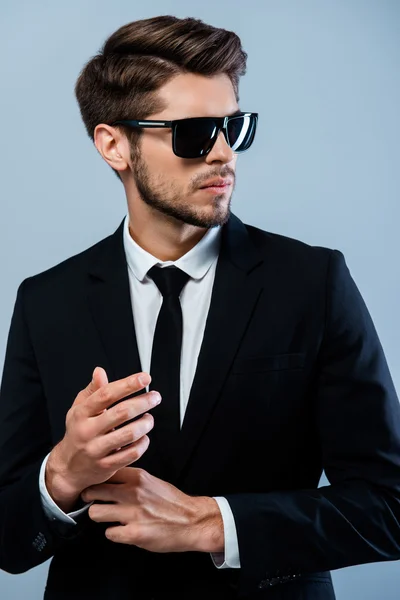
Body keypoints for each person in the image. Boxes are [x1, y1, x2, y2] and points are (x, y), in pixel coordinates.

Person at [0, 14, 399, 600]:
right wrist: (60, 476)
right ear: (115, 145)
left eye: (234, 127)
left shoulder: (312, 282)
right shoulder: (46, 300)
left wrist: (213, 524)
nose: (223, 154)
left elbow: (388, 505)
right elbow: (9, 544)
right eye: (193, 133)